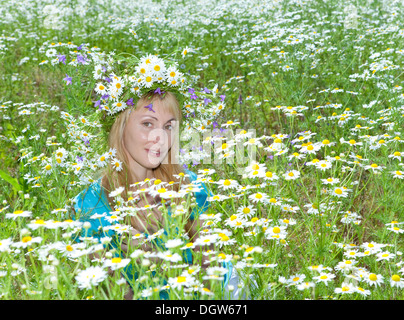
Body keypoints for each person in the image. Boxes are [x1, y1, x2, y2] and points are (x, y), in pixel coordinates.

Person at [69, 86, 236, 299]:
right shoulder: (91, 205)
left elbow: (210, 268)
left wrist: (166, 262)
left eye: (168, 127)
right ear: (120, 126)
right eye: (148, 124)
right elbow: (109, 292)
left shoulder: (188, 185)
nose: (160, 138)